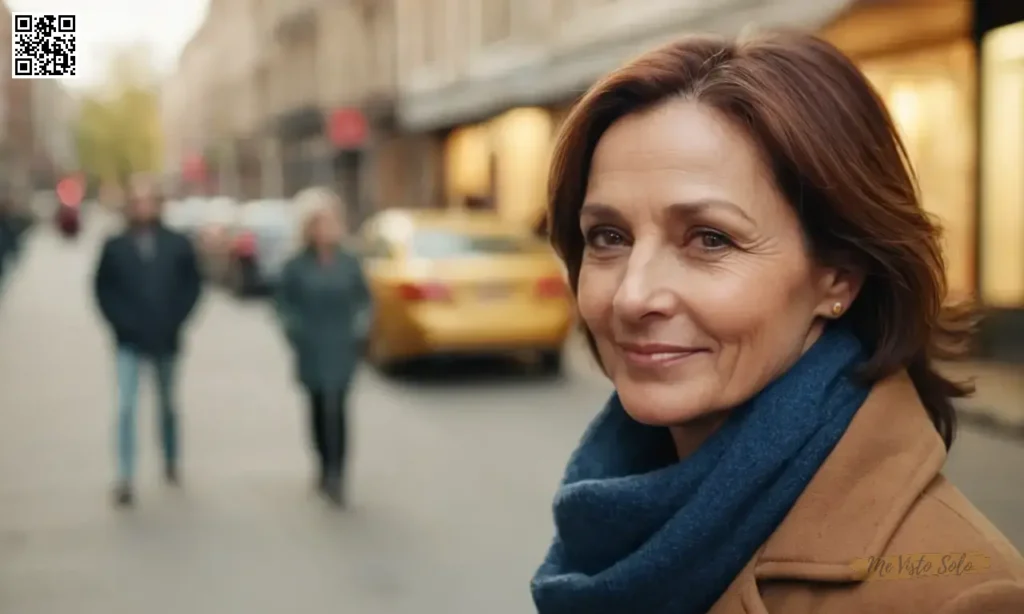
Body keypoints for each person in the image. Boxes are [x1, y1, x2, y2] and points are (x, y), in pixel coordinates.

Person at [530, 32, 1024, 614]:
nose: (633, 297)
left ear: (838, 277)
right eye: (608, 237)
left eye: (710, 239)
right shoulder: (612, 511)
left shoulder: (959, 595)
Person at [93, 177, 202, 507]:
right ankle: (125, 475)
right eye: (136, 201)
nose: (142, 207)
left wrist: (176, 319)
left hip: (166, 337)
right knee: (126, 405)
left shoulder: (177, 243)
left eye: (148, 200)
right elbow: (102, 290)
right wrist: (120, 323)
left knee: (167, 404)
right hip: (128, 339)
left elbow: (192, 285)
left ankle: (170, 459)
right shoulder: (115, 245)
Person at [275, 187, 372, 507]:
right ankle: (321, 461)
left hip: (341, 344)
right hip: (312, 346)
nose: (326, 229)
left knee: (338, 407)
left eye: (330, 222)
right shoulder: (296, 265)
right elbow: (283, 304)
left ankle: (337, 473)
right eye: (319, 223)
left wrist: (360, 326)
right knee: (318, 406)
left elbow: (364, 299)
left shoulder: (349, 261)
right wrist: (295, 329)